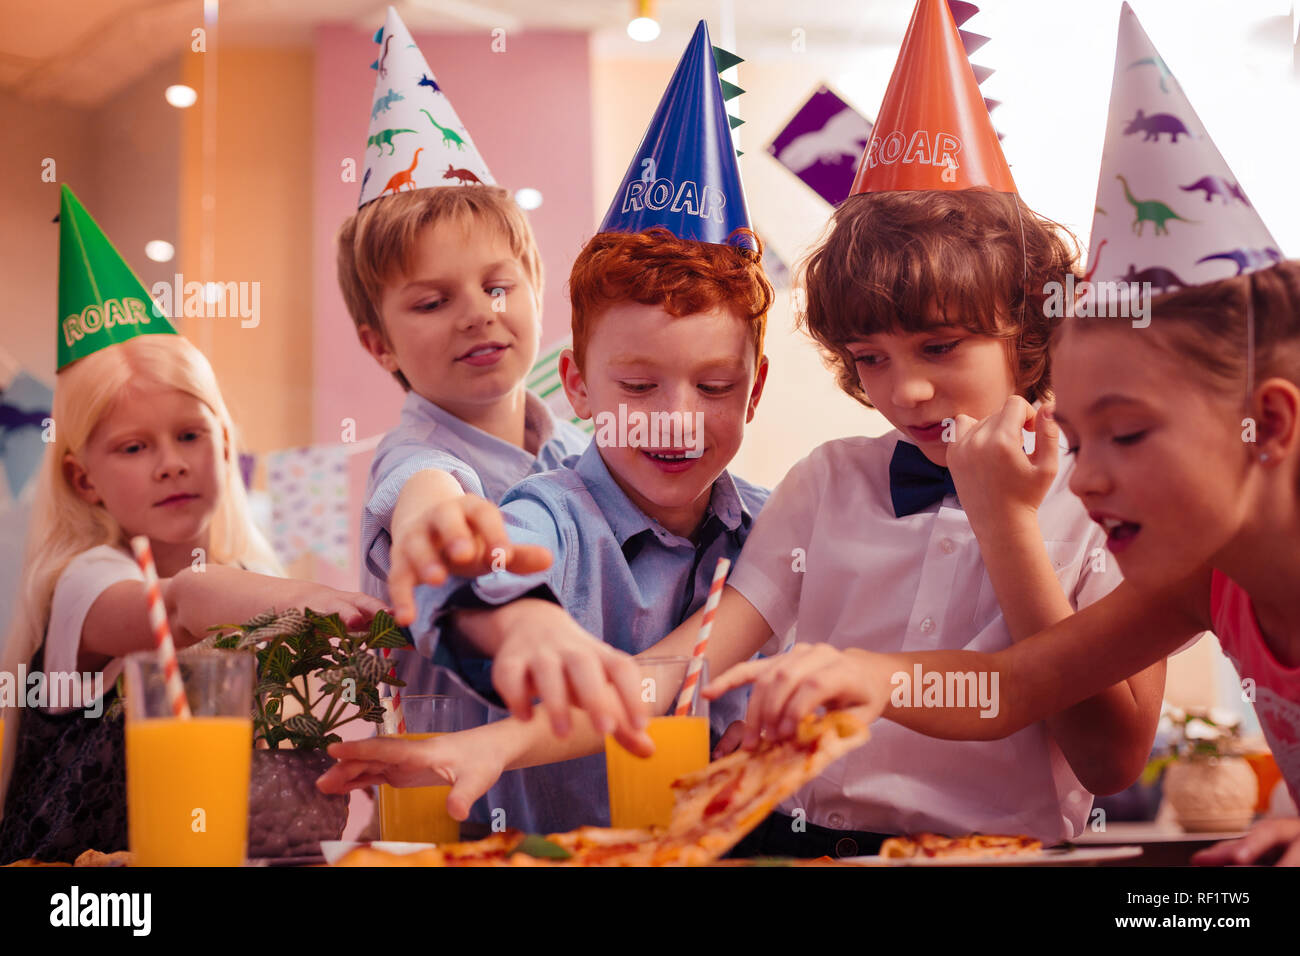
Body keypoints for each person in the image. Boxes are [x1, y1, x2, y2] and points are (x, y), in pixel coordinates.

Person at [0, 187, 384, 863]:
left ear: (227, 445)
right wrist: (310, 601)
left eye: (189, 435)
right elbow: (181, 605)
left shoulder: (244, 583)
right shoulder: (87, 584)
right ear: (82, 479)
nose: (172, 465)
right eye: (133, 447)